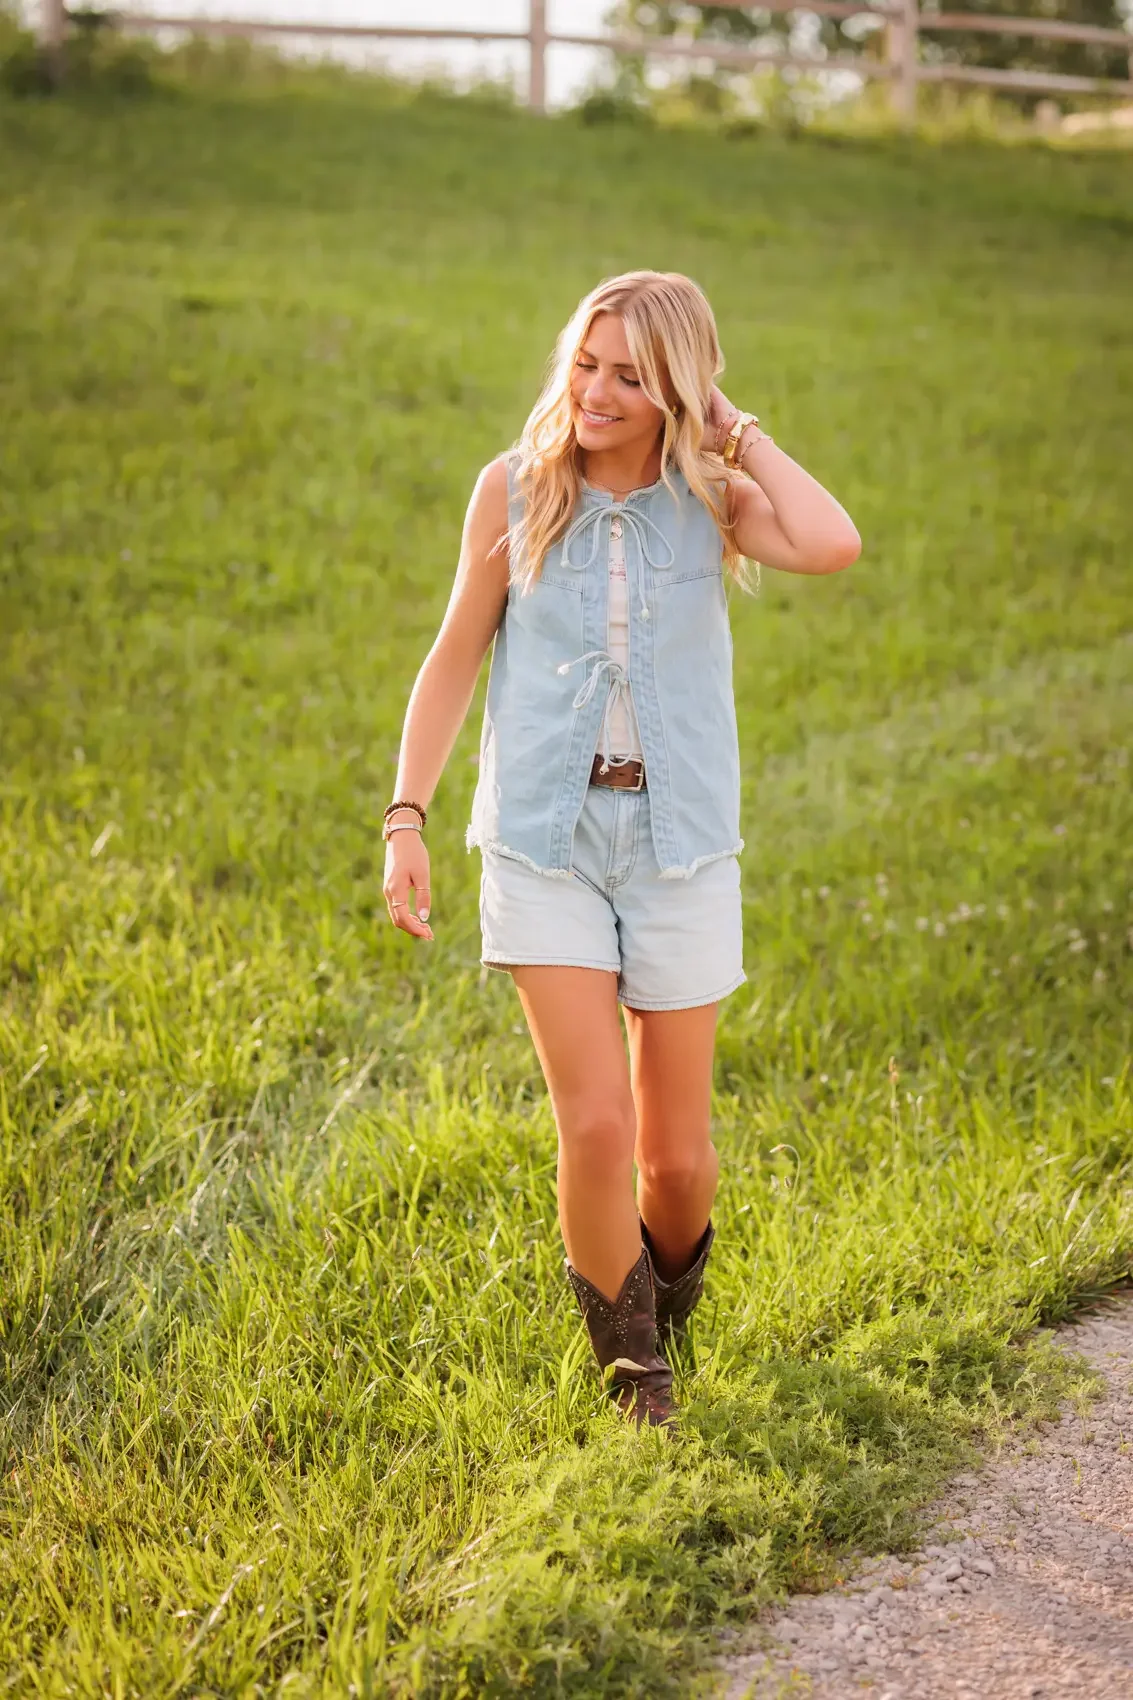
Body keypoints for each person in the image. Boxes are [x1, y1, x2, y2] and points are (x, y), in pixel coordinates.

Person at [382, 271, 860, 1430]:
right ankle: (631, 1369)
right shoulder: (512, 489)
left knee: (677, 1163)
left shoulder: (711, 493)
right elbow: (453, 655)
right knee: (592, 1122)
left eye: (630, 374)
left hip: (677, 847)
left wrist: (731, 424)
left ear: (676, 389)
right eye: (587, 363)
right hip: (543, 841)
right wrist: (407, 814)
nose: (596, 391)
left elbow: (832, 541)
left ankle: (657, 1306)